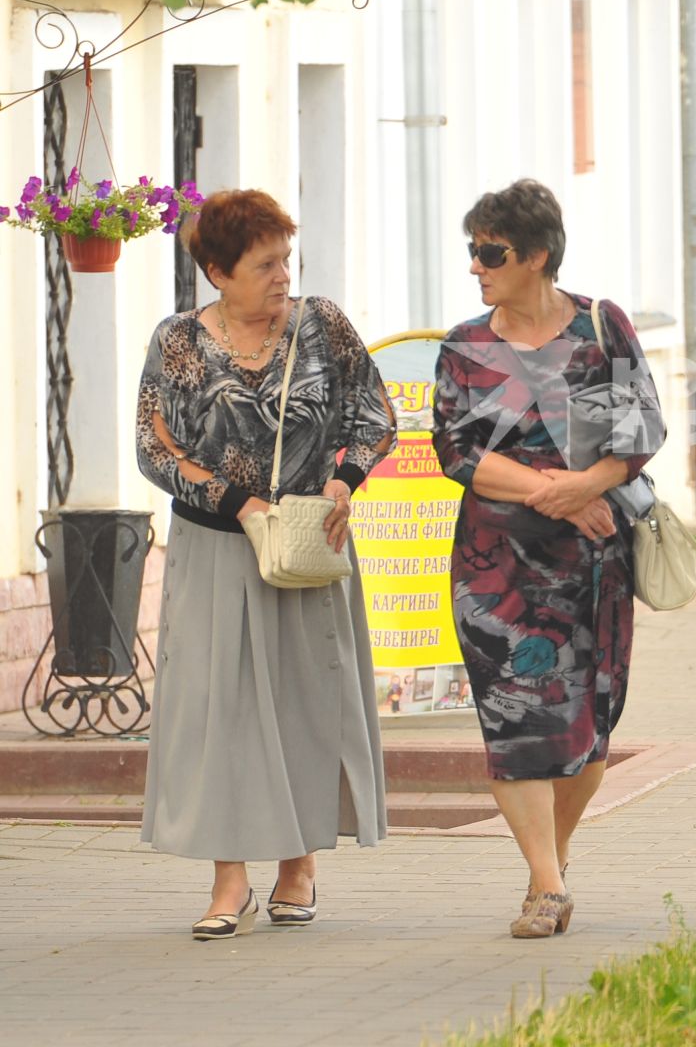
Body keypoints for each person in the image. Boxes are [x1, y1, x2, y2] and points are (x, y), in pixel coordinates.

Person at [136, 189, 396, 939]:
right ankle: (227, 880)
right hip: (219, 547)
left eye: (287, 259)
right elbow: (154, 447)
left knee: (305, 706)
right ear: (218, 271)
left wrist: (346, 476)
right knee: (219, 711)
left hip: (309, 545)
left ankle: (298, 867)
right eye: (264, 264)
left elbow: (373, 414)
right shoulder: (179, 340)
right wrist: (236, 503)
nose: (283, 276)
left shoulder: (323, 325)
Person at [432, 178, 664, 940]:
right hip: (496, 568)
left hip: (594, 560)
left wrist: (591, 484)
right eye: (471, 250)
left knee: (589, 724)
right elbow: (456, 453)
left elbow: (644, 424)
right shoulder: (465, 346)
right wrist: (550, 491)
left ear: (537, 255)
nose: (476, 265)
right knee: (515, 719)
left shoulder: (602, 327)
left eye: (490, 250)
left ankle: (550, 867)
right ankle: (545, 884)